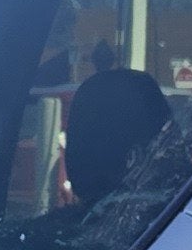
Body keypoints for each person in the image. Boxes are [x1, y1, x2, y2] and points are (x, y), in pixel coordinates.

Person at [60, 39, 169, 205]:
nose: (182, 148)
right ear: (135, 156)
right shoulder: (182, 221)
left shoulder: (45, 229)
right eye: (170, 139)